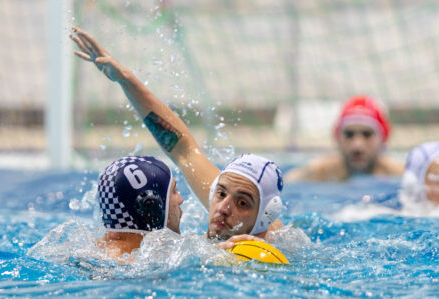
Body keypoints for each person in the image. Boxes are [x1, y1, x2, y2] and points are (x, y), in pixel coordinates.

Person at [70, 27, 284, 242]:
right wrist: (126, 80)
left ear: (264, 217)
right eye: (220, 193)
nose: (223, 208)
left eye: (243, 203)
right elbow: (182, 148)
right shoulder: (228, 196)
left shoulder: (267, 248)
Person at [96, 155, 261, 260]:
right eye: (174, 191)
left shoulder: (101, 248)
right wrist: (213, 258)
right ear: (152, 208)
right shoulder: (121, 263)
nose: (181, 199)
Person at [285, 96, 404, 182]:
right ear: (337, 137)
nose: (357, 145)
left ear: (383, 138)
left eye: (367, 134)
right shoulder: (318, 172)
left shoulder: (399, 174)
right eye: (349, 134)